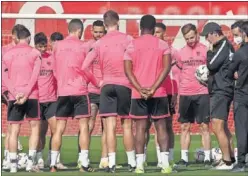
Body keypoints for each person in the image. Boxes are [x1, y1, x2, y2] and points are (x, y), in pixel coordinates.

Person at [82, 10, 136, 173]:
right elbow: (135, 60)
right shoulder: (128, 39)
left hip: (106, 86)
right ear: (118, 22)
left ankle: (111, 163)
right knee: (127, 126)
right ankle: (132, 163)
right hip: (125, 85)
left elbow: (84, 67)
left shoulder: (98, 43)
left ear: (105, 25)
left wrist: (98, 82)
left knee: (109, 127)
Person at [124, 14, 172, 174]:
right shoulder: (163, 44)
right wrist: (153, 88)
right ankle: (165, 164)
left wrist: (139, 88)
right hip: (158, 92)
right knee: (161, 128)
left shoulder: (131, 45)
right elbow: (166, 68)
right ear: (153, 28)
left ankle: (139, 165)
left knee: (140, 128)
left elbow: (127, 70)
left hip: (139, 94)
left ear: (140, 27)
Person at [50, 19, 98, 173]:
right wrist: (96, 82)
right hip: (80, 91)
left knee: (59, 129)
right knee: (84, 127)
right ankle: (84, 164)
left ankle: (53, 164)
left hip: (63, 91)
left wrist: (63, 82)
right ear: (79, 31)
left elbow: (54, 70)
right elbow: (86, 69)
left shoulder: (57, 46)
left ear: (68, 30)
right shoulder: (84, 46)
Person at [2, 26, 42, 173]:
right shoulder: (35, 53)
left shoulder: (7, 54)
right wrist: (25, 93)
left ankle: (12, 164)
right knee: (34, 127)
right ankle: (30, 163)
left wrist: (15, 93)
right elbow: (35, 76)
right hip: (31, 95)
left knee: (13, 130)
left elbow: (4, 77)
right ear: (29, 38)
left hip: (14, 97)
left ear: (17, 38)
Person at [175, 23, 211, 168]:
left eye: (192, 37)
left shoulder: (206, 50)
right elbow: (178, 73)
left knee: (204, 126)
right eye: (187, 38)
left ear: (197, 34)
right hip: (185, 94)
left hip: (202, 92)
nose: (190, 40)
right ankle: (184, 158)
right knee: (184, 126)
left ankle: (208, 158)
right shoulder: (180, 53)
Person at [200, 22, 235, 170]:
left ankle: (227, 162)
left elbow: (211, 65)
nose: (207, 40)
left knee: (217, 125)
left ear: (214, 33)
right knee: (222, 126)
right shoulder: (224, 46)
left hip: (221, 90)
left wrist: (209, 52)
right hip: (221, 89)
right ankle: (231, 158)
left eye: (207, 36)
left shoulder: (223, 45)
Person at [76, 20, 107, 169]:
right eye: (96, 31)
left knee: (107, 126)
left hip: (107, 91)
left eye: (101, 32)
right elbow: (81, 67)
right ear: (91, 31)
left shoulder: (108, 45)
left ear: (105, 31)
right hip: (91, 90)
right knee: (89, 124)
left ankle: (105, 159)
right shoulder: (86, 47)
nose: (98, 34)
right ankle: (82, 156)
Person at [34, 32, 67, 170]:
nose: (43, 49)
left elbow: (58, 74)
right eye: (40, 46)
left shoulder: (51, 58)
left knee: (56, 130)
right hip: (37, 100)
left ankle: (54, 158)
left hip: (52, 99)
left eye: (44, 46)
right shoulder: (32, 58)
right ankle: (39, 158)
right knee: (40, 132)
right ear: (35, 45)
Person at [152, 22, 179, 168]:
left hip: (168, 92)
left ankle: (171, 157)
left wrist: (175, 93)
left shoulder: (172, 51)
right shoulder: (151, 50)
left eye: (158, 32)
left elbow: (176, 74)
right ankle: (160, 159)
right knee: (156, 126)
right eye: (154, 32)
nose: (156, 35)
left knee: (168, 126)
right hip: (154, 91)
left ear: (164, 34)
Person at [1, 24, 25, 171]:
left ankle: (7, 158)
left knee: (11, 126)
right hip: (8, 90)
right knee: (11, 126)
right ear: (14, 36)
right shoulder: (6, 50)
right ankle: (8, 158)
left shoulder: (20, 50)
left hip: (14, 90)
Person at [227, 21, 248, 172]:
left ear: (244, 34)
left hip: (242, 94)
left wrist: (236, 74)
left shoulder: (240, 53)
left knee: (241, 129)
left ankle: (241, 162)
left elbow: (229, 72)